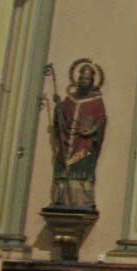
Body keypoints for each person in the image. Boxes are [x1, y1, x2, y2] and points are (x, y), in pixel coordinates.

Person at [51, 62, 107, 209]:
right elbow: (61, 118)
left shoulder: (96, 101)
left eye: (87, 79)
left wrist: (92, 129)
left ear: (92, 82)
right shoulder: (70, 99)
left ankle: (82, 201)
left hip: (84, 143)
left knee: (82, 168)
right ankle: (62, 200)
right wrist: (58, 108)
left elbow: (101, 119)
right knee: (63, 166)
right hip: (67, 141)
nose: (84, 81)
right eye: (82, 78)